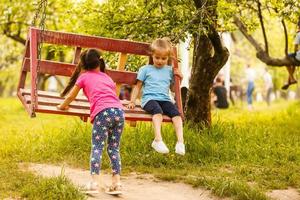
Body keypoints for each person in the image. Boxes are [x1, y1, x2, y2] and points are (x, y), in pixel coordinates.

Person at [57, 49, 124, 195]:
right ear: (100, 61)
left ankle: (94, 183)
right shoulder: (107, 78)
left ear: (84, 65)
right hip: (119, 112)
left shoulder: (83, 77)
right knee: (114, 148)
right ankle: (117, 183)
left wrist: (62, 106)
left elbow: (70, 97)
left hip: (103, 114)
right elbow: (107, 95)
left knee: (97, 147)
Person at [127, 38, 185, 155]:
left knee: (176, 114)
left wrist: (180, 78)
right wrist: (132, 101)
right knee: (157, 112)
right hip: (149, 99)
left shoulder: (170, 71)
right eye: (157, 57)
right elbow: (138, 86)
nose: (160, 61)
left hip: (164, 99)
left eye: (164, 58)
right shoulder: (145, 69)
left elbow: (173, 89)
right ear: (152, 55)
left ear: (168, 58)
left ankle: (180, 142)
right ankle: (158, 140)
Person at [282, 22, 300, 90]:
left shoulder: (299, 34)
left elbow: (295, 48)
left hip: (299, 56)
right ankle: (289, 81)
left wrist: (296, 52)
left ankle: (291, 79)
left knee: (286, 58)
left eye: (298, 26)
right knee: (293, 62)